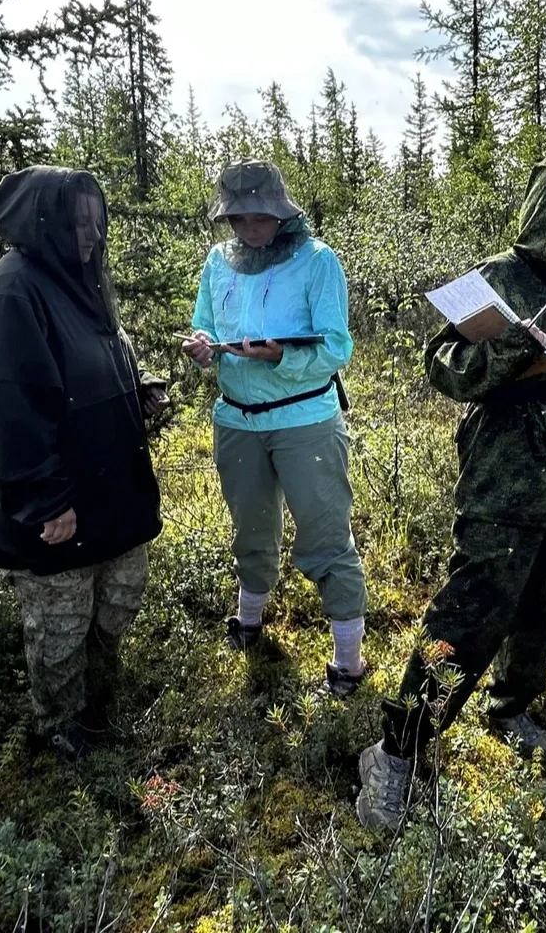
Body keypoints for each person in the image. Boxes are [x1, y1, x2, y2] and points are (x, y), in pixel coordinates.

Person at [356, 159, 546, 830]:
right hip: (504, 463)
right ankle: (395, 751)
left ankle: (509, 708)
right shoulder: (492, 278)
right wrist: (510, 346)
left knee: (542, 599)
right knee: (473, 608)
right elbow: (445, 367)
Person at [0, 165, 166, 763]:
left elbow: (99, 357)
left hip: (111, 490)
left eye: (96, 222)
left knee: (118, 602)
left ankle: (102, 697)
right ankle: (61, 727)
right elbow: (6, 405)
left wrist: (139, 385)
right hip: (60, 503)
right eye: (78, 222)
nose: (91, 234)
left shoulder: (81, 280)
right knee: (60, 627)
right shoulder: (10, 293)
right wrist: (44, 499)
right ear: (41, 222)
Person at [180, 160, 367, 697]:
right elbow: (207, 328)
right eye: (237, 219)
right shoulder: (218, 263)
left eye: (258, 217)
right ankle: (250, 620)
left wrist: (281, 355)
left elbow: (337, 348)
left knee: (326, 535)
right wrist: (200, 347)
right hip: (236, 419)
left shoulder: (318, 262)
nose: (248, 229)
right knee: (251, 527)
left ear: (280, 213)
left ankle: (347, 662)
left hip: (305, 418)